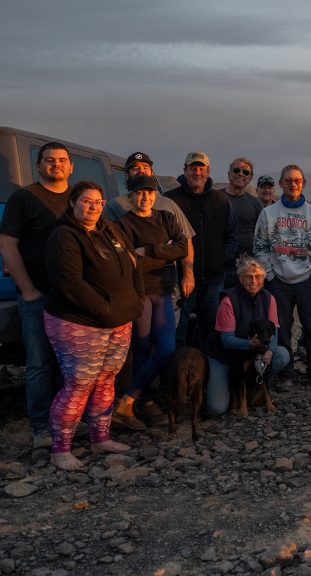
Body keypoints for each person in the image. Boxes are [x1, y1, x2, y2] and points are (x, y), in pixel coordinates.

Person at [42, 181, 145, 471]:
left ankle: (100, 439)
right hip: (79, 322)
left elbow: (134, 264)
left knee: (106, 380)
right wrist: (106, 310)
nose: (93, 207)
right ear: (73, 203)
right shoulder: (64, 236)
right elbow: (70, 282)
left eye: (98, 202)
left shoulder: (110, 230)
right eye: (86, 201)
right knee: (79, 384)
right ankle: (60, 449)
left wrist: (136, 301)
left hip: (117, 322)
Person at [0, 141, 73, 450]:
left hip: (71, 297)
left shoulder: (78, 199)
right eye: (49, 160)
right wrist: (28, 290)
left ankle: (66, 422)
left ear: (71, 167)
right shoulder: (24, 198)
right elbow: (7, 245)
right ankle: (42, 427)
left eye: (61, 160)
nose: (56, 164)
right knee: (40, 362)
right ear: (39, 165)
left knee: (68, 363)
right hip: (37, 296)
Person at [111, 175, 190, 430]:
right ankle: (144, 402)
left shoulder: (166, 218)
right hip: (140, 292)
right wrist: (165, 254)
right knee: (142, 349)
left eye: (150, 193)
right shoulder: (123, 224)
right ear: (131, 196)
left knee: (166, 348)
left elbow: (182, 249)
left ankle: (126, 400)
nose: (145, 198)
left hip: (164, 291)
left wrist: (150, 250)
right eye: (140, 193)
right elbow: (128, 262)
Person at [254, 165, 311, 388]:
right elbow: (260, 247)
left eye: (297, 180)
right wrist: (270, 275)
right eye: (288, 180)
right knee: (282, 328)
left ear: (304, 183)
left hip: (308, 279)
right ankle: (286, 373)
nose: (293, 184)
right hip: (278, 280)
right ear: (281, 184)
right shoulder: (268, 214)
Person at [164, 152, 238, 347]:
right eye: (193, 168)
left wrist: (223, 259)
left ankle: (207, 371)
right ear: (185, 170)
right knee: (178, 329)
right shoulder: (171, 200)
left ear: (208, 171)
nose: (197, 172)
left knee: (211, 329)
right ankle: (176, 370)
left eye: (201, 168)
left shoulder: (221, 199)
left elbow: (232, 234)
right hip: (182, 278)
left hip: (214, 277)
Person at [203, 256, 291, 415]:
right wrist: (250, 344)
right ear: (240, 279)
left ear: (263, 279)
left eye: (258, 276)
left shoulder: (269, 298)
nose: (254, 281)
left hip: (252, 353)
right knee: (216, 408)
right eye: (249, 277)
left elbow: (274, 330)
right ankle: (224, 388)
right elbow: (226, 340)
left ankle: (255, 386)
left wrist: (270, 350)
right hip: (224, 356)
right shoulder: (229, 300)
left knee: (282, 354)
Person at [224, 157, 263, 263]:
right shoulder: (217, 198)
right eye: (236, 170)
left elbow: (262, 234)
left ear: (250, 178)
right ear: (229, 174)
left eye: (245, 172)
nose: (240, 174)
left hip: (247, 264)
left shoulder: (255, 203)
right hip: (221, 263)